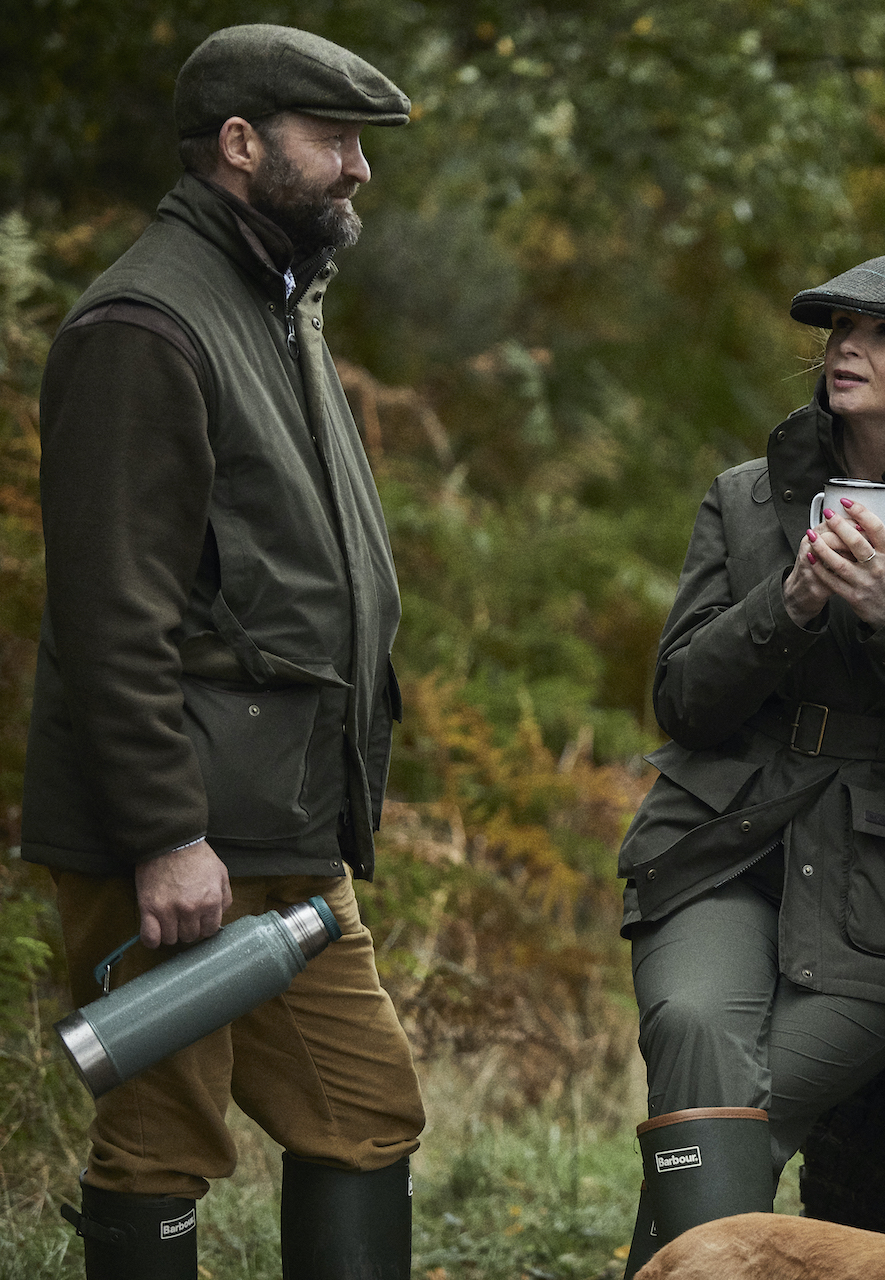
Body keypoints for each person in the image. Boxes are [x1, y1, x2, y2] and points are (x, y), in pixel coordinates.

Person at [24, 25, 422, 1280]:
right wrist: (162, 831)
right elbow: (110, 613)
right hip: (184, 826)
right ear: (242, 146)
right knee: (162, 1136)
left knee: (364, 1110)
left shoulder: (276, 300)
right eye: (335, 139)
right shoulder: (146, 324)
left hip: (286, 816)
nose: (359, 169)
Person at [614, 253, 885, 1272]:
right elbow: (683, 698)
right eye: (838, 327)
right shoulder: (742, 500)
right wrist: (790, 604)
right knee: (693, 1024)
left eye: (883, 332)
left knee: (731, 1113)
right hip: (727, 842)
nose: (845, 345)